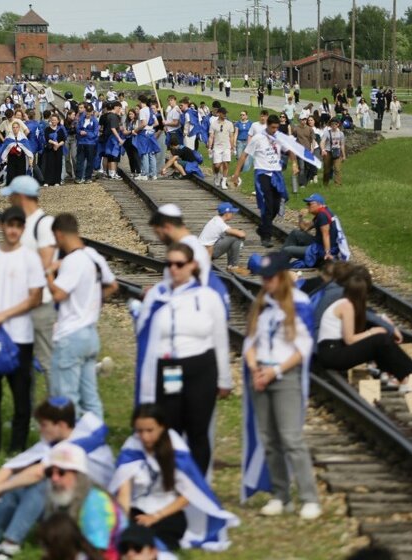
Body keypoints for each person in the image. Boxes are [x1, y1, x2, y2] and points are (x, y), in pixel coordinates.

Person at [0, 398, 115, 560]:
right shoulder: (57, 438)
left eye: (43, 425)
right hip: (65, 498)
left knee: (41, 484)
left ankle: (10, 544)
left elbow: (39, 472)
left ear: (61, 425)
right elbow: (13, 466)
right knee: (18, 481)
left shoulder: (79, 442)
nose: (40, 430)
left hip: (87, 506)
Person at [134, 243, 231, 475]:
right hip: (168, 367)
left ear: (192, 266)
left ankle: (196, 484)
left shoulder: (208, 297)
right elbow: (144, 332)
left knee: (198, 429)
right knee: (169, 427)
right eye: (170, 264)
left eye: (180, 264)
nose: (174, 269)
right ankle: (170, 481)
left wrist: (224, 379)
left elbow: (220, 337)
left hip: (200, 367)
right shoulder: (158, 295)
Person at [241, 252, 321, 519]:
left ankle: (309, 497)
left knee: (291, 438)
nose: (266, 283)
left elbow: (304, 346)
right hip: (261, 373)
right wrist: (255, 369)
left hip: (284, 374)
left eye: (270, 278)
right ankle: (280, 495)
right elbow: (250, 340)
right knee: (269, 438)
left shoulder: (298, 303)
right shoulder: (262, 302)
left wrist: (274, 371)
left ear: (282, 276)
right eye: (263, 278)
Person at [110, 405, 238, 552]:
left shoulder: (176, 450)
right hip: (137, 509)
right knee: (129, 538)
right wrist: (123, 524)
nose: (144, 437)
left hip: (167, 512)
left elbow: (188, 494)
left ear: (162, 427)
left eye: (150, 431)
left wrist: (156, 516)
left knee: (158, 539)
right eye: (139, 431)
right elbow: (124, 495)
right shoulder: (131, 450)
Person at [0, 206, 45, 452]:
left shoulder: (30, 258)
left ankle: (17, 447)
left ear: (22, 229)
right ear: (1, 226)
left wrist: (4, 314)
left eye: (18, 226)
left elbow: (35, 296)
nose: (13, 230)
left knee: (21, 397)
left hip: (20, 337)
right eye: (9, 225)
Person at [45, 213, 117, 418]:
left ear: (59, 235)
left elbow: (58, 294)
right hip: (89, 335)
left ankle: (71, 445)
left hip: (70, 335)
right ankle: (96, 440)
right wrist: (91, 302)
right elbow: (112, 285)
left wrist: (48, 273)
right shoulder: (93, 255)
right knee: (90, 398)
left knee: (66, 398)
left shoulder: (72, 261)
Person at [0, 176, 56, 394]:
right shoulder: (22, 223)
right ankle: (26, 412)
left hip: (41, 304)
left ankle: (57, 411)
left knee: (47, 360)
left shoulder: (44, 224)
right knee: (22, 363)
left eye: (11, 196)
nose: (9, 201)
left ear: (21, 197)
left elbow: (46, 263)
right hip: (21, 305)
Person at [316, 270, 412, 387]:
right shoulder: (346, 306)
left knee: (378, 340)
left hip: (331, 352)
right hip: (332, 353)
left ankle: (397, 375)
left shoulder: (344, 303)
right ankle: (407, 378)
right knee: (379, 340)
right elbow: (350, 339)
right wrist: (372, 332)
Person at [42, 443, 125, 559]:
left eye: (61, 472)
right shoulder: (60, 498)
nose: (54, 479)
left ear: (78, 474)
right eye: (50, 473)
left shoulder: (94, 502)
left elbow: (98, 552)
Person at [231, 115, 300, 248]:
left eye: (277, 127)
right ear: (267, 125)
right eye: (272, 127)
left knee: (276, 204)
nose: (275, 130)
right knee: (267, 204)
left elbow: (290, 150)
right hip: (262, 173)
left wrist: (294, 163)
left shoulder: (279, 137)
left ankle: (263, 227)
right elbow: (244, 155)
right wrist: (236, 173)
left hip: (276, 172)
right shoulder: (258, 138)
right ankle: (266, 236)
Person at [280, 193, 349, 265]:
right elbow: (305, 228)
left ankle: (276, 267)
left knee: (287, 251)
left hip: (322, 249)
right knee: (295, 233)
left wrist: (327, 253)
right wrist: (300, 217)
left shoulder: (322, 215)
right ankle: (279, 261)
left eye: (310, 204)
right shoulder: (322, 212)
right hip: (318, 244)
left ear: (318, 204)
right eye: (307, 204)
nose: (307, 206)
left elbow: (326, 235)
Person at [198, 202, 247, 273]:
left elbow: (230, 231)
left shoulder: (216, 219)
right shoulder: (220, 224)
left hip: (202, 251)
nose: (233, 214)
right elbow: (241, 235)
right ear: (227, 213)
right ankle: (234, 266)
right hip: (207, 253)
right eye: (231, 212)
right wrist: (242, 232)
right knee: (236, 238)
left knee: (230, 236)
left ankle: (230, 266)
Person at [207, 108, 234, 189]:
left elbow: (231, 136)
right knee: (217, 165)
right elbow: (211, 136)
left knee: (226, 163)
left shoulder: (229, 124)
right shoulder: (214, 124)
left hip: (226, 146)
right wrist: (209, 147)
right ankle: (216, 175)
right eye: (223, 113)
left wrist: (232, 147)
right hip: (217, 147)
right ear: (219, 113)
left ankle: (224, 181)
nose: (225, 115)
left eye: (225, 113)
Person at [75, 103, 99, 183]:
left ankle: (88, 177)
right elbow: (77, 129)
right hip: (81, 142)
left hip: (90, 143)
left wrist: (87, 133)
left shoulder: (95, 121)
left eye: (89, 112)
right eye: (87, 112)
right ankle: (78, 177)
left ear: (92, 112)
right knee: (79, 160)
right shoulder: (81, 119)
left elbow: (95, 133)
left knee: (90, 160)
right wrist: (80, 131)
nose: (88, 113)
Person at [41, 114, 66, 186]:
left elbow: (63, 139)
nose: (53, 121)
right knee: (49, 164)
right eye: (52, 120)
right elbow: (46, 138)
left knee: (58, 164)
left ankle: (57, 181)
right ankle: (47, 181)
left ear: (58, 121)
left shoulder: (60, 129)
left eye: (55, 120)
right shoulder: (47, 129)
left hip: (58, 149)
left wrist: (58, 145)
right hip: (49, 149)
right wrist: (54, 143)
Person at [320, 118, 346, 187]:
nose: (334, 125)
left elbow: (342, 145)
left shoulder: (341, 134)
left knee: (337, 169)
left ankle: (337, 184)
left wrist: (344, 155)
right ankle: (325, 183)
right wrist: (323, 150)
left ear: (338, 125)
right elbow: (322, 142)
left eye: (335, 124)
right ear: (330, 125)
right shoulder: (327, 133)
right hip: (328, 152)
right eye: (332, 124)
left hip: (337, 152)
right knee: (327, 169)